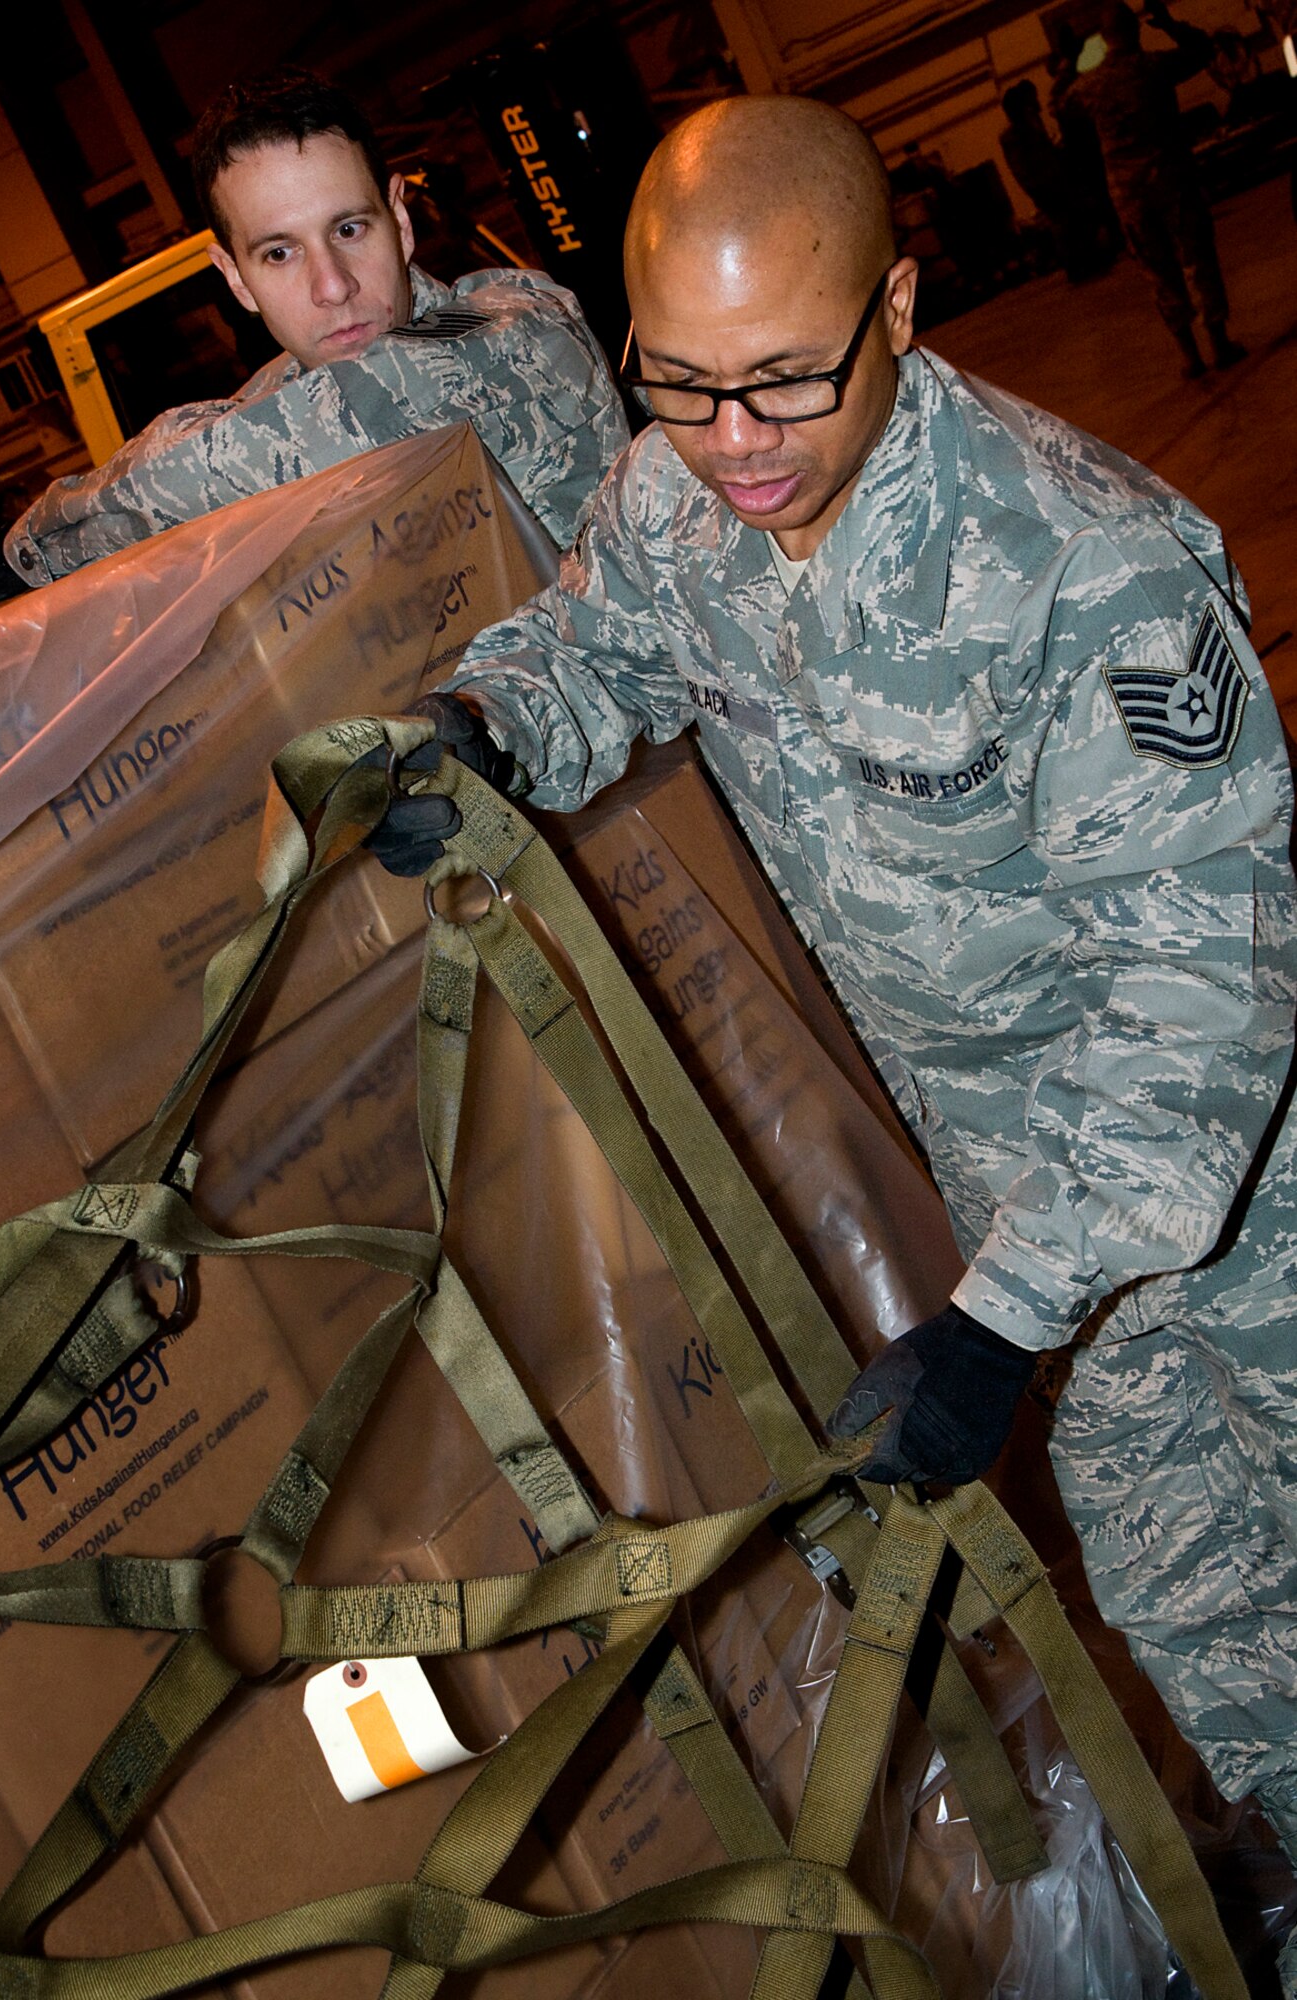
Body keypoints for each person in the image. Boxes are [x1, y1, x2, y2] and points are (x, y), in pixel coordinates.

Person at [368, 94, 1297, 1970]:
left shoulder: (1081, 568)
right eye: (682, 383)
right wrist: (480, 722)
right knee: (1197, 1605)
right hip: (1022, 1203)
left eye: (785, 382)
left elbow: (1197, 993)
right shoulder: (678, 498)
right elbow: (604, 640)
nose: (733, 444)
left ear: (894, 307)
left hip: (1238, 1183)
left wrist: (999, 1317)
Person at [3, 69, 628, 587]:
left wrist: (27, 553)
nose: (333, 286)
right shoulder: (277, 392)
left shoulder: (520, 330)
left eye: (350, 230)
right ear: (235, 279)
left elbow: (200, 465)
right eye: (280, 253)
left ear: (401, 222)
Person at [1053, 0, 1246, 376]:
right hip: (1173, 182)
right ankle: (1219, 344)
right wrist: (1171, 24)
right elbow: (1204, 50)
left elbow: (1057, 104)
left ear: (1104, 39)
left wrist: (1069, 60)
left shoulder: (1090, 84)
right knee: (1197, 258)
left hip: (1129, 195)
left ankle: (1190, 357)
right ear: (1136, 30)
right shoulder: (1155, 67)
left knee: (1158, 270)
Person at [998, 79, 1111, 279]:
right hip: (1047, 186)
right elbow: (1021, 168)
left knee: (1071, 220)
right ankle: (1076, 266)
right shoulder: (1014, 134)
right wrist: (1038, 188)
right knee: (1063, 224)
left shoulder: (1031, 123)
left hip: (1056, 181)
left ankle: (1084, 261)